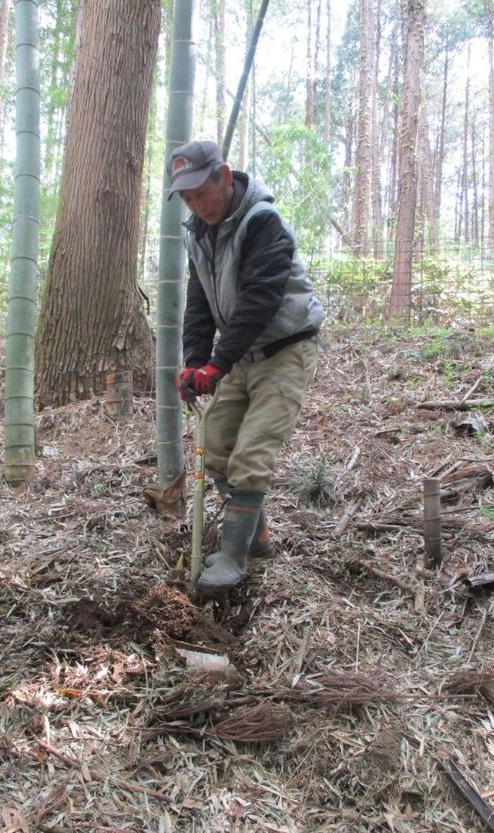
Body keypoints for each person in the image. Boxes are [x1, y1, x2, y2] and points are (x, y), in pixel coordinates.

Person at [168, 139, 323, 602]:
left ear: (225, 176)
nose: (197, 204)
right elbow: (198, 305)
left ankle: (234, 557)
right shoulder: (197, 232)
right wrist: (196, 361)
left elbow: (260, 300)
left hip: (284, 350)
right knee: (214, 448)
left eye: (202, 191)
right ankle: (255, 534)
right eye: (187, 197)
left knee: (251, 455)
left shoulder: (263, 222)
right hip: (240, 354)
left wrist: (218, 361)